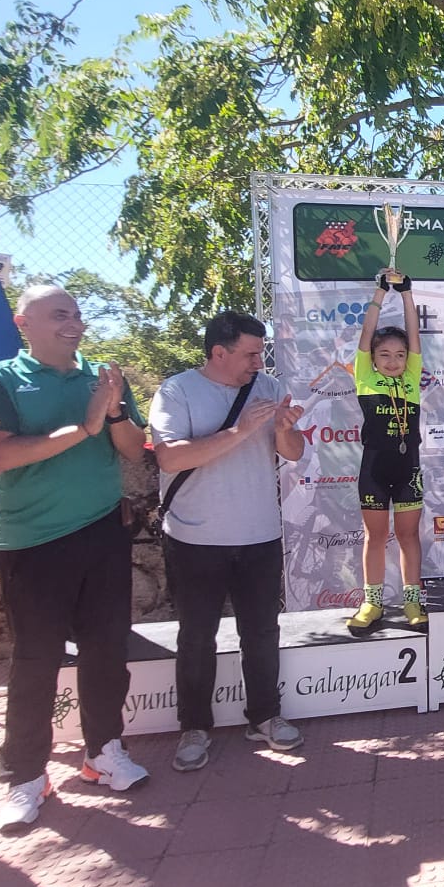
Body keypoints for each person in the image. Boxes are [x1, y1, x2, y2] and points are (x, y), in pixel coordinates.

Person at [0, 284, 152, 834]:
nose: (73, 323)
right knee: (36, 661)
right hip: (31, 540)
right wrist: (83, 427)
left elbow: (134, 450)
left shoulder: (101, 376)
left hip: (101, 532)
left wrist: (114, 409)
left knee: (105, 651)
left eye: (76, 314)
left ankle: (103, 752)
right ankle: (26, 776)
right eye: (58, 315)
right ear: (23, 322)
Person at [151, 311, 309, 771]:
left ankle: (265, 716)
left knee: (261, 633)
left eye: (262, 352)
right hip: (194, 538)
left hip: (260, 533)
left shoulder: (270, 387)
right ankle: (194, 727)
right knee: (196, 637)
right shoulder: (177, 390)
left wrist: (283, 431)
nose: (259, 362)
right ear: (218, 352)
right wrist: (238, 433)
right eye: (250, 353)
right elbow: (169, 457)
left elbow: (294, 452)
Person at [348, 269, 427, 629]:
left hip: (408, 469)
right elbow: (366, 335)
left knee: (409, 536)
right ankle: (372, 603)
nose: (393, 361)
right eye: (385, 355)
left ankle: (412, 602)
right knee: (375, 537)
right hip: (374, 471)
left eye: (400, 355)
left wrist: (407, 294)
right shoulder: (365, 376)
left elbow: (414, 334)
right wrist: (381, 292)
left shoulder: (411, 377)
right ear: (374, 359)